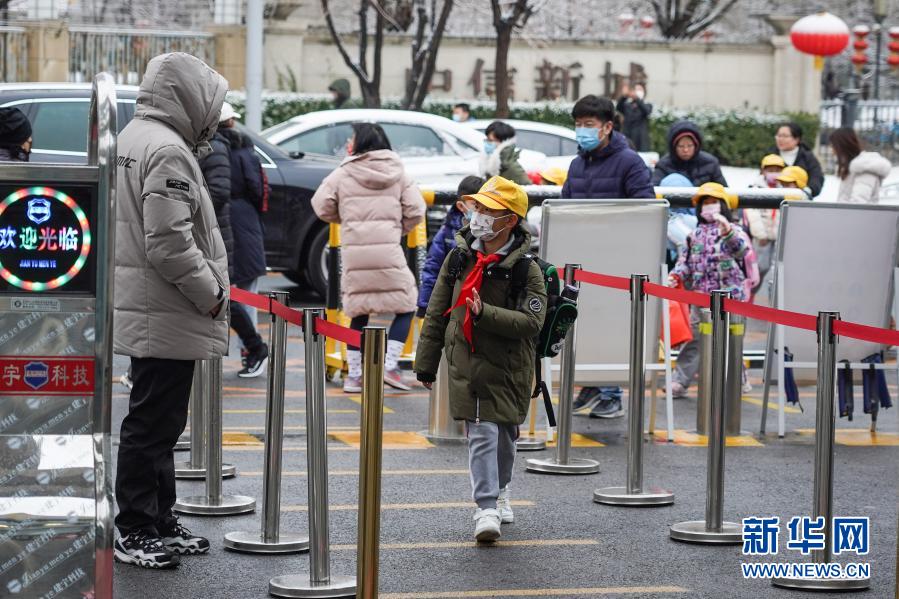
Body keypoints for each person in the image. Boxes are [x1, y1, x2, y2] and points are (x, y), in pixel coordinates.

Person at [113, 52, 229, 569]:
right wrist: (213, 294)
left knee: (158, 420)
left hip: (148, 305)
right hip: (166, 307)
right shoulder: (168, 151)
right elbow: (170, 243)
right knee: (153, 424)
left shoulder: (134, 137)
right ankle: (136, 526)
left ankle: (158, 517)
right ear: (189, 98)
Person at [414, 176, 546, 542]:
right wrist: (426, 363)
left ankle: (502, 489)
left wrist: (484, 312)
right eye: (479, 207)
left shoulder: (526, 269)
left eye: (491, 210)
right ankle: (485, 508)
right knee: (482, 433)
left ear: (511, 220)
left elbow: (532, 323)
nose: (480, 216)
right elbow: (438, 310)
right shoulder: (458, 257)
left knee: (505, 435)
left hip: (508, 368)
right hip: (467, 364)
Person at [312, 123, 426, 392]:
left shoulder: (344, 171)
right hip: (389, 248)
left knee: (357, 310)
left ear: (359, 143)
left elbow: (321, 204)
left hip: (354, 250)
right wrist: (399, 229)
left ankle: (354, 375)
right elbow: (416, 209)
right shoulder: (398, 171)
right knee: (406, 304)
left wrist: (346, 219)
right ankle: (389, 366)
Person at [562, 94, 654, 417]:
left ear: (607, 127)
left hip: (618, 260)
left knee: (610, 325)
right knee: (583, 323)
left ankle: (611, 393)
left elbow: (647, 210)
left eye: (589, 125)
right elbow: (565, 209)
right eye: (577, 125)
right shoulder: (576, 165)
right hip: (582, 261)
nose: (582, 131)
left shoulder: (630, 163)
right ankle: (593, 383)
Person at [667, 182, 749, 398]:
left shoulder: (735, 230)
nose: (710, 206)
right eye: (706, 203)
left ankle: (736, 381)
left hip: (730, 297)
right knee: (694, 340)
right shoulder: (693, 235)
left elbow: (741, 251)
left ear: (724, 205)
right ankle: (680, 381)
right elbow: (685, 262)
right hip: (701, 298)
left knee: (731, 340)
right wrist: (676, 275)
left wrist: (728, 232)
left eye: (714, 202)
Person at [218, 103, 270, 377]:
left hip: (221, 224)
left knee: (225, 292)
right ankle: (250, 353)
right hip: (246, 222)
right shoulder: (244, 152)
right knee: (247, 294)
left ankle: (251, 350)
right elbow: (258, 189)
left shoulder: (209, 150)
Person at [417, 175, 485, 318]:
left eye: (485, 205)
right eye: (476, 205)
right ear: (461, 206)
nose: (481, 210)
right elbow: (433, 267)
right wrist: (425, 304)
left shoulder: (489, 231)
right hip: (452, 302)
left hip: (482, 301)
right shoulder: (447, 233)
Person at [652, 121, 727, 187]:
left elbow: (725, 191)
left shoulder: (710, 163)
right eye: (681, 146)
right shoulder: (663, 165)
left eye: (690, 145)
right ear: (674, 147)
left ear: (696, 145)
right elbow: (654, 190)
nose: (685, 150)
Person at [830, 127, 892, 204]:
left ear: (842, 146)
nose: (832, 150)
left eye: (833, 146)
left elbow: (858, 204)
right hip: (847, 215)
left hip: (858, 215)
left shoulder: (865, 167)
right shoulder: (851, 167)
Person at [770, 122, 825, 197]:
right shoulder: (771, 156)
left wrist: (808, 191)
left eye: (785, 136)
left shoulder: (807, 157)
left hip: (801, 201)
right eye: (778, 135)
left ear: (797, 139)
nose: (780, 139)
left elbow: (816, 178)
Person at [480, 121, 531, 186]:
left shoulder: (513, 169)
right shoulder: (490, 164)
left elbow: (528, 191)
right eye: (487, 140)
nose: (487, 143)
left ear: (503, 142)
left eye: (491, 140)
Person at [616, 82, 652, 152]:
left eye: (640, 89)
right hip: (628, 135)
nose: (637, 91)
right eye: (636, 89)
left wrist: (637, 99)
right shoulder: (627, 105)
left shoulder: (647, 104)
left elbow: (646, 111)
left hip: (641, 138)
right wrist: (624, 96)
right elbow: (618, 108)